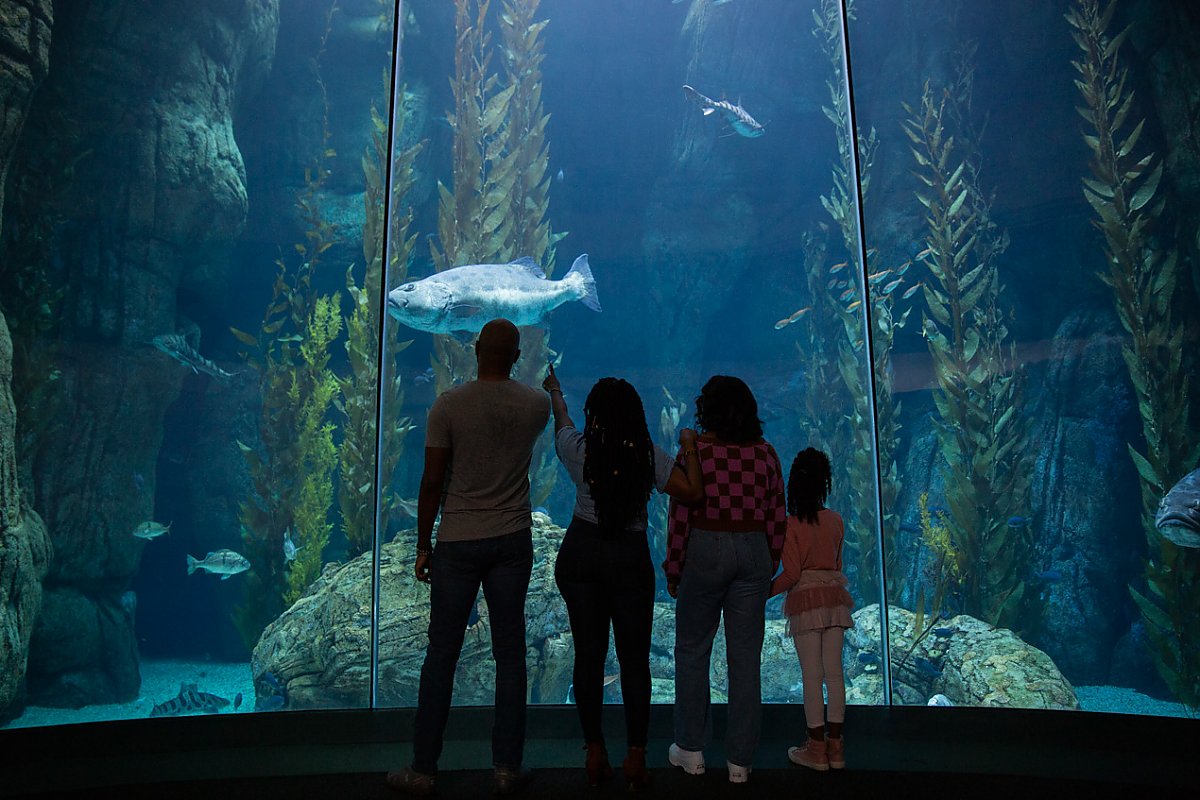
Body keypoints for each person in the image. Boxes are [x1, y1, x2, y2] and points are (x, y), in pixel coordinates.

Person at [387, 318, 551, 797]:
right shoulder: (536, 404)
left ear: (476, 351)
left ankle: (423, 768)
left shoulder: (448, 406)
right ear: (518, 354)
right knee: (510, 655)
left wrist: (423, 544)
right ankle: (506, 768)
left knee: (441, 655)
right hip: (511, 540)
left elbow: (432, 481)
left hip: (457, 541)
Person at [541, 366, 702, 792]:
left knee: (588, 656)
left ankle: (593, 750)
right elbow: (690, 491)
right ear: (635, 415)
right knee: (634, 662)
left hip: (581, 557)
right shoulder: (646, 455)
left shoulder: (580, 450)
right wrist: (689, 446)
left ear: (594, 416)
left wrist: (556, 392)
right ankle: (636, 755)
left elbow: (562, 423)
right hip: (629, 561)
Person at [661, 375, 787, 784]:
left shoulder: (698, 452)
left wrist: (674, 567)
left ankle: (692, 749)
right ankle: (740, 762)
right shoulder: (766, 454)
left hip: (706, 547)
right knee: (745, 660)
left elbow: (681, 513)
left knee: (693, 650)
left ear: (706, 411)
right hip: (753, 551)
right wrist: (768, 563)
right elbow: (776, 515)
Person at [769, 447, 854, 771]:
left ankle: (815, 749)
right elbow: (838, 564)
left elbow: (790, 574)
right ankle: (836, 748)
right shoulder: (835, 520)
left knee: (811, 676)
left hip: (805, 602)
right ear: (825, 483)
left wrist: (762, 592)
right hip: (835, 601)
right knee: (834, 674)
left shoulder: (790, 524)